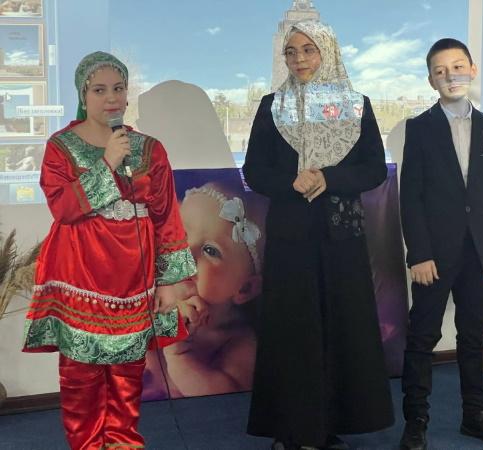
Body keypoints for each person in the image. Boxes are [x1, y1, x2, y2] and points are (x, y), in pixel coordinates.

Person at [21, 51, 207, 450]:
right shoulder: (60, 146)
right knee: (81, 374)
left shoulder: (150, 149)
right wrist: (107, 163)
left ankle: (123, 441)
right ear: (82, 95)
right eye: (99, 90)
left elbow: (166, 217)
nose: (111, 98)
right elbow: (64, 209)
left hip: (134, 276)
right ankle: (86, 444)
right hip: (79, 273)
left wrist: (169, 282)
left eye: (119, 88)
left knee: (127, 372)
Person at [242, 19, 394, 450]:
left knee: (340, 330)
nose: (299, 59)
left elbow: (373, 169)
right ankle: (291, 428)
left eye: (309, 49)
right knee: (294, 332)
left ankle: (328, 426)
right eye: (291, 52)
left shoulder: (356, 105)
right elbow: (255, 170)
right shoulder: (272, 106)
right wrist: (290, 181)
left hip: (340, 238)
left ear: (327, 52)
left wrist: (329, 178)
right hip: (291, 239)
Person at [399, 38, 483, 449]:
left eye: (457, 66)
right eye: (440, 70)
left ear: (472, 70)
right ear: (431, 80)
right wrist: (419, 253)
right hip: (433, 254)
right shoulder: (419, 127)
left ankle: (475, 415)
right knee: (423, 337)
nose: (450, 75)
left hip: (479, 252)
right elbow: (411, 196)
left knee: (473, 337)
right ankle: (416, 420)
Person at [143, 181, 264, 398]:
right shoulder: (154, 295)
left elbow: (227, 400)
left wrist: (180, 355)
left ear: (245, 288)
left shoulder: (237, 341)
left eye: (210, 250)